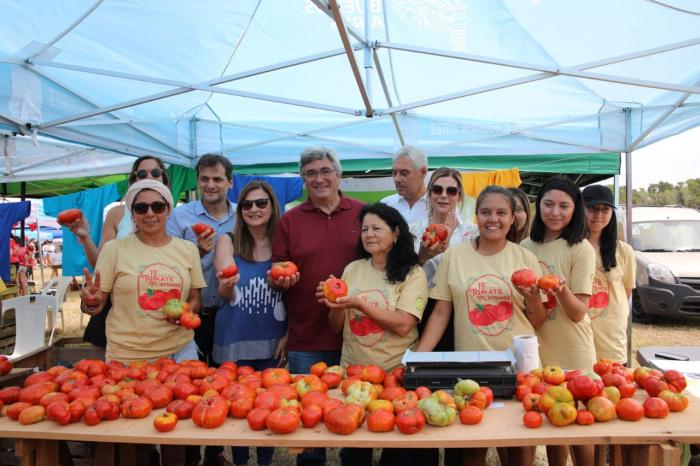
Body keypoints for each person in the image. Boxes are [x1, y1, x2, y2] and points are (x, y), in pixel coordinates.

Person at [417, 185, 547, 466]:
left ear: (513, 218)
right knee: (474, 447)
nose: (493, 219)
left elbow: (537, 320)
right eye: (486, 212)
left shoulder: (524, 258)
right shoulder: (455, 256)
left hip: (518, 365)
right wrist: (418, 357)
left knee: (520, 446)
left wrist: (534, 298)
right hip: (472, 364)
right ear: (476, 216)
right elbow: (441, 312)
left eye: (502, 213)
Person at [79, 179, 205, 466]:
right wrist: (91, 302)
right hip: (127, 356)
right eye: (141, 207)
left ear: (168, 210)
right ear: (132, 213)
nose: (150, 213)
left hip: (178, 353)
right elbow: (97, 303)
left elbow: (196, 299)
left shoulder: (187, 249)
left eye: (158, 206)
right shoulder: (114, 250)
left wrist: (186, 312)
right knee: (130, 433)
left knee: (175, 432)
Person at [271, 146, 363, 466]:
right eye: (311, 173)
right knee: (308, 421)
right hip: (306, 333)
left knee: (356, 416)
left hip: (357, 336)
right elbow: (278, 267)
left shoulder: (363, 213)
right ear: (303, 180)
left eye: (326, 171)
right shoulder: (290, 219)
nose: (319, 178)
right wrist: (281, 280)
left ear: (339, 175)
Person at [318, 202, 427, 466]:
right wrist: (334, 306)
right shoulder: (353, 269)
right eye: (365, 228)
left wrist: (359, 303)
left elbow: (404, 324)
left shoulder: (413, 274)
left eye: (377, 228)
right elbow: (336, 326)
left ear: (396, 233)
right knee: (355, 449)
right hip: (353, 374)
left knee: (397, 451)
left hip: (394, 376)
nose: (369, 234)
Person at [166, 153, 236, 466]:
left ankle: (215, 450)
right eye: (204, 179)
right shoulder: (180, 217)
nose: (210, 185)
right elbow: (166, 262)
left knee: (223, 381)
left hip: (229, 313)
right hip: (191, 313)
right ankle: (190, 449)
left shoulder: (242, 215)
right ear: (197, 182)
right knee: (191, 384)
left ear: (229, 183)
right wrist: (196, 251)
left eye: (217, 179)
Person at [520, 176, 596, 466]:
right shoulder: (526, 246)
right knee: (555, 420)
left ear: (575, 210)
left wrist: (561, 290)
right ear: (538, 207)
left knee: (579, 427)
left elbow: (579, 312)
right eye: (548, 204)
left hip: (573, 348)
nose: (555, 212)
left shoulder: (580, 248)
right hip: (538, 348)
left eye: (564, 206)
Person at [213, 181, 286, 466]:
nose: (254, 209)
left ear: (272, 207)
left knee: (267, 408)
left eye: (261, 203)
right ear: (239, 210)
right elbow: (225, 291)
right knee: (236, 407)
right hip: (235, 338)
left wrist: (290, 334)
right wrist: (228, 285)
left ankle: (265, 462)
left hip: (272, 339)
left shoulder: (284, 242)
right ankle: (241, 461)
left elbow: (295, 295)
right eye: (247, 204)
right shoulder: (227, 240)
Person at [65, 155, 169, 349]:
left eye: (155, 172)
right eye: (141, 173)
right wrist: (86, 237)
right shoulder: (117, 214)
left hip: (157, 304)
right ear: (133, 180)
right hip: (118, 302)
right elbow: (101, 265)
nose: (148, 177)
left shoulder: (173, 215)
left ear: (164, 178)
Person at [582, 185, 635, 363]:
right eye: (592, 209)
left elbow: (626, 291)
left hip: (611, 338)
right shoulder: (570, 247)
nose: (599, 215)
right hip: (579, 335)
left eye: (605, 209)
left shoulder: (624, 250)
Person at [381, 145, 429, 225]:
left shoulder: (440, 206)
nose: (397, 179)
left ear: (423, 172)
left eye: (404, 173)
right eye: (394, 173)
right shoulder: (385, 205)